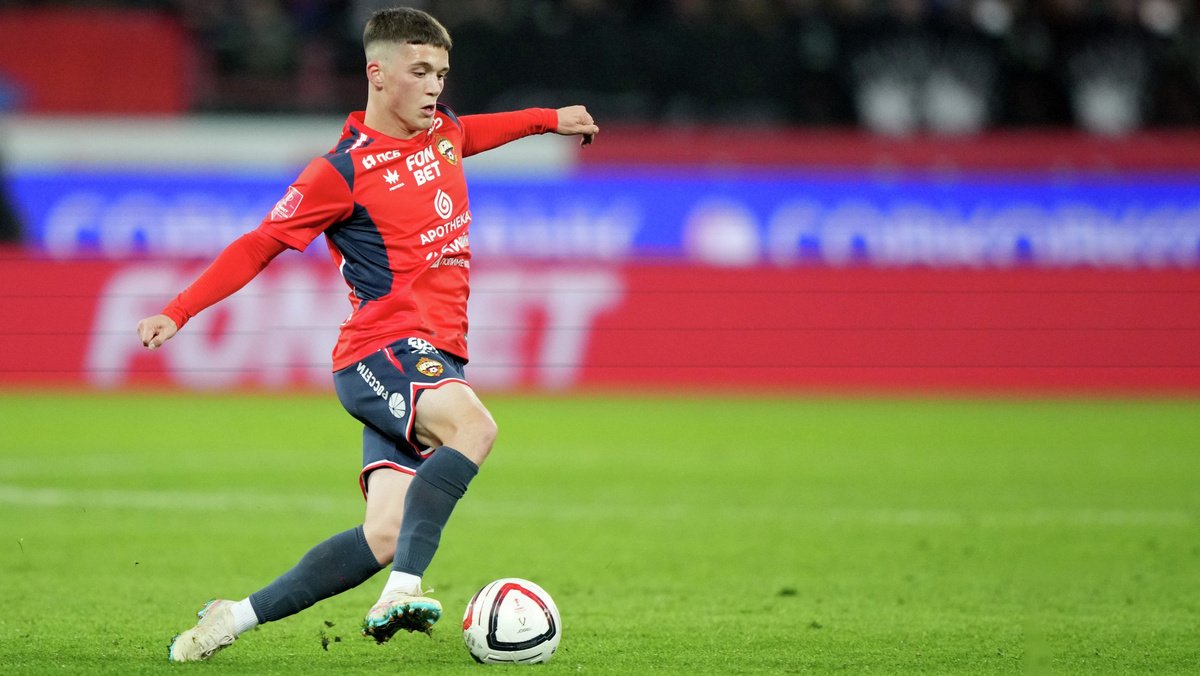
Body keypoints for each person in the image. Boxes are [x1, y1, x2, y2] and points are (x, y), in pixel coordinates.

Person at [137, 7, 598, 662]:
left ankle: (230, 618)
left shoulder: (441, 134)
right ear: (377, 74)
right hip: (382, 349)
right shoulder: (341, 172)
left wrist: (551, 119)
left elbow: (477, 131)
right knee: (474, 428)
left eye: (441, 73)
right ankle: (402, 590)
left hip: (433, 355)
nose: (434, 86)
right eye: (420, 71)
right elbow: (260, 244)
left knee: (382, 535)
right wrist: (178, 310)